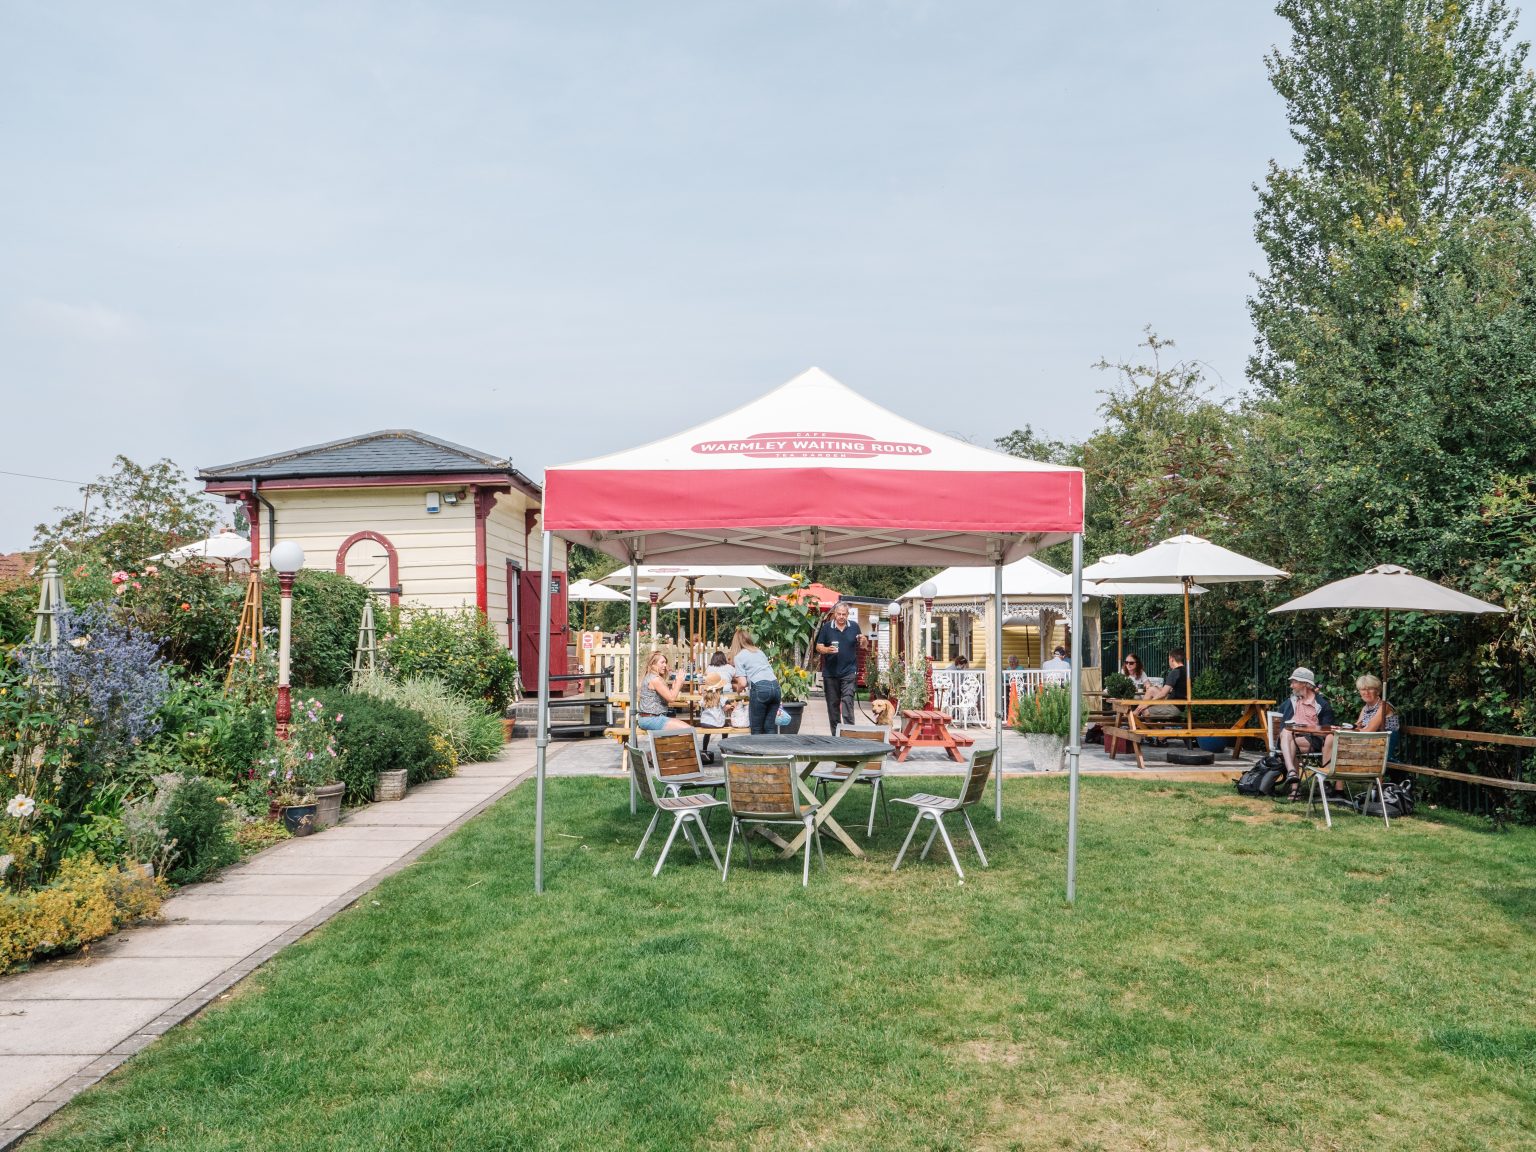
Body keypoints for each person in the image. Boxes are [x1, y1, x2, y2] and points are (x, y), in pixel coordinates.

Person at [1278, 666, 1336, 798]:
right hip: (1290, 738)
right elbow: (1283, 724)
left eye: (1294, 682)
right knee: (1287, 733)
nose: (1291, 686)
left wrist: (1308, 729)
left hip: (1313, 740)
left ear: (1305, 683)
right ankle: (1292, 772)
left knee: (1289, 740)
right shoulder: (1291, 702)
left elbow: (1326, 731)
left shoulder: (1321, 705)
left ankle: (1294, 787)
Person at [814, 602, 864, 733]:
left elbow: (863, 645)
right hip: (830, 673)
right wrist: (826, 649)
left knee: (848, 701)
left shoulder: (854, 627)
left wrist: (863, 639)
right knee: (833, 705)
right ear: (834, 614)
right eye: (839, 614)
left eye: (844, 614)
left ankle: (849, 734)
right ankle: (836, 735)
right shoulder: (826, 628)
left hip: (849, 672)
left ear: (848, 615)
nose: (841, 616)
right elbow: (818, 646)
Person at [729, 627, 781, 735]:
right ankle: (770, 751)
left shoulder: (739, 656)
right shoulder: (759, 652)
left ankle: (757, 752)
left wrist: (738, 691)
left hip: (760, 688)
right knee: (770, 727)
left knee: (757, 728)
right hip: (775, 687)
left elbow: (742, 683)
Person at [635, 651, 692, 733]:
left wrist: (676, 685)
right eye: (662, 662)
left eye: (665, 662)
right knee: (688, 730)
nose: (665, 665)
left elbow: (669, 695)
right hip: (652, 719)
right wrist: (679, 682)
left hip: (651, 718)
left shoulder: (653, 677)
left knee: (681, 733)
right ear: (653, 664)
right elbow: (671, 698)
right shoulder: (655, 679)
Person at [1137, 648, 1189, 720]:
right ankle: (1136, 712)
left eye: (1168, 659)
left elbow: (1163, 694)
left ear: (1171, 659)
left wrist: (1147, 704)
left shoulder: (1175, 672)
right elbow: (1174, 690)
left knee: (1145, 711)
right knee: (1152, 690)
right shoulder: (1186, 671)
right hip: (1179, 704)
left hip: (1175, 707)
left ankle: (1152, 729)